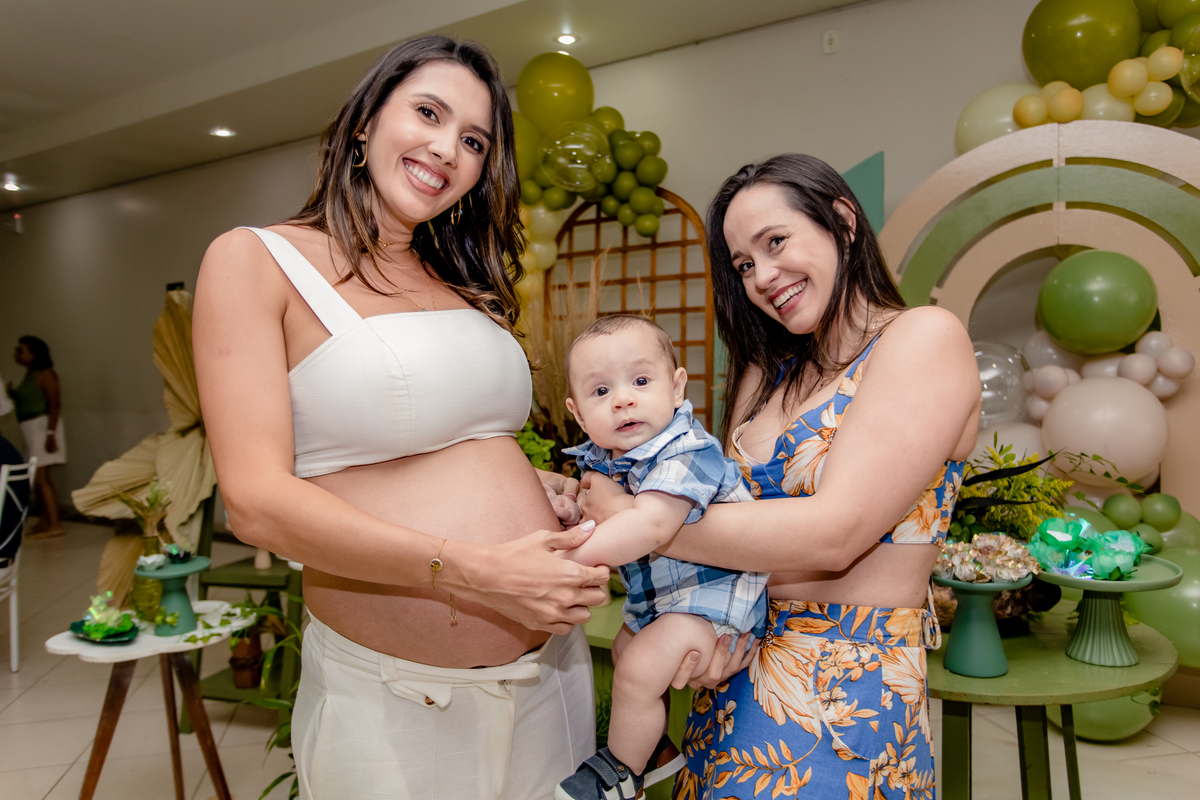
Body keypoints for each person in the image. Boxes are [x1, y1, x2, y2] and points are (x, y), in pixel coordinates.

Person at [194, 35, 718, 800]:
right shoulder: (258, 261)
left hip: (552, 678)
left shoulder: (460, 280)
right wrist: (474, 567)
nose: (448, 149)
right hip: (397, 702)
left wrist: (538, 484)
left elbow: (448, 445)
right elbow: (255, 502)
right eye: (429, 113)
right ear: (365, 123)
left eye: (474, 140)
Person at [578, 154, 980, 799]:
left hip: (846, 692)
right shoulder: (766, 373)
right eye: (743, 264)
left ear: (842, 221)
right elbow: (711, 503)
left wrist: (635, 519)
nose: (762, 277)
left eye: (775, 242)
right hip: (730, 668)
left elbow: (834, 534)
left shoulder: (922, 338)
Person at [554, 315, 768, 800]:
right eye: (601, 391)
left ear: (676, 387)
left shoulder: (686, 451)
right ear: (579, 414)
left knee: (638, 667)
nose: (622, 399)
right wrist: (574, 512)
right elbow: (602, 515)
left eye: (640, 381)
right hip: (667, 602)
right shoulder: (608, 459)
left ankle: (620, 774)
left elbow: (648, 525)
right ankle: (653, 751)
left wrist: (569, 558)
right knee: (627, 652)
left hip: (716, 603)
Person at [7, 336, 65, 537]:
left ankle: (55, 524)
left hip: (43, 427)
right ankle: (45, 520)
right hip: (31, 429)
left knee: (42, 477)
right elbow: (29, 398)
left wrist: (50, 434)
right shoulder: (29, 375)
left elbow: (55, 404)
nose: (17, 354)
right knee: (36, 478)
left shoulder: (46, 374)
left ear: (34, 354)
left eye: (21, 350)